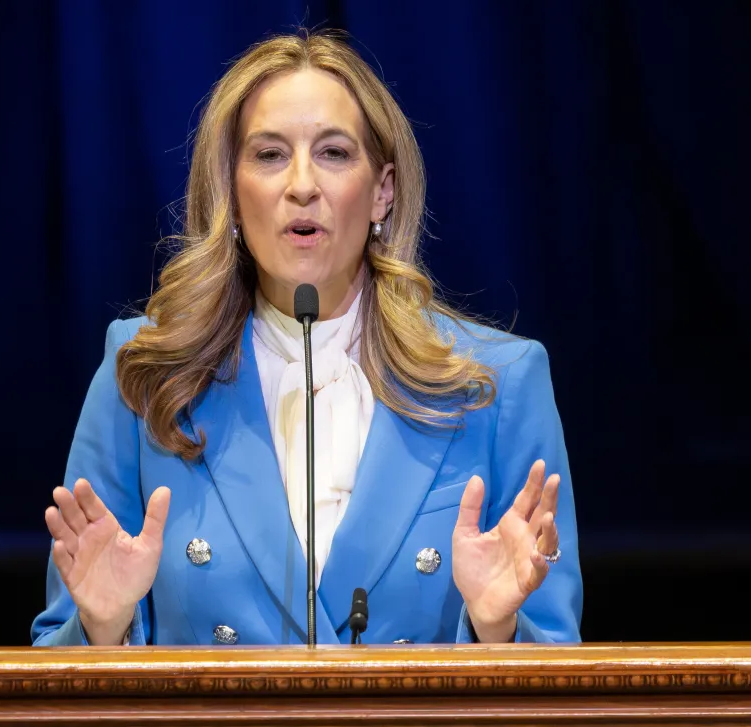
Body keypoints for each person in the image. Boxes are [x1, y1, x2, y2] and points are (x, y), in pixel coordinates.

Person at [31, 30, 582, 647]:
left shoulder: (496, 385)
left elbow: (561, 667)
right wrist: (105, 626)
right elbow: (55, 662)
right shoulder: (144, 374)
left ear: (382, 192)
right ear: (230, 191)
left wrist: (495, 627)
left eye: (334, 153)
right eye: (269, 155)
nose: (301, 184)